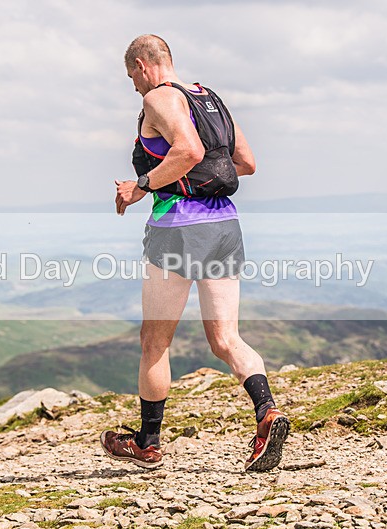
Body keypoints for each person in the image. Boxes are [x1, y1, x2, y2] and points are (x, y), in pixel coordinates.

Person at [100, 35, 290, 472]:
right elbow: (245, 162)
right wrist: (192, 176)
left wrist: (142, 186)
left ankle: (147, 444)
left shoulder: (159, 99)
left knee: (154, 342)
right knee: (226, 339)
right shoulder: (211, 99)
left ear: (144, 64)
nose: (133, 85)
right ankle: (268, 413)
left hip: (178, 230)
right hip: (224, 224)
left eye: (131, 75)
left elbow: (189, 150)